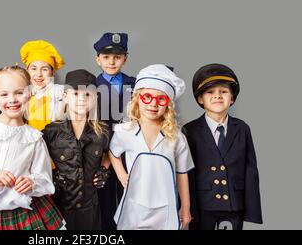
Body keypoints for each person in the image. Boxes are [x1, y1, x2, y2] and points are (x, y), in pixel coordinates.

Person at [0, 65, 65, 230]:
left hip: (27, 212)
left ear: (29, 94)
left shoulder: (34, 138)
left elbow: (44, 178)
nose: (12, 100)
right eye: (4, 94)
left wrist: (32, 183)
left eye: (19, 93)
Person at [109, 64, 193, 230]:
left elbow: (182, 174)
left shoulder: (177, 137)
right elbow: (113, 153)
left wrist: (186, 208)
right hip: (134, 204)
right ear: (137, 99)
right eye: (147, 97)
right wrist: (121, 174)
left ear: (168, 104)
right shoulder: (124, 131)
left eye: (161, 99)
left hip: (165, 206)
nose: (153, 105)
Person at [184, 64, 263, 230]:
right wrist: (187, 208)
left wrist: (252, 209)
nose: (217, 96)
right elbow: (187, 172)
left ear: (232, 98)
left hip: (233, 203)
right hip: (203, 204)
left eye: (224, 91)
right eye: (210, 92)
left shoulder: (242, 128)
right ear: (200, 99)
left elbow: (250, 169)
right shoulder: (189, 130)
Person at [42, 69, 111, 230]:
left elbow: (109, 152)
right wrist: (50, 175)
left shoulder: (103, 131)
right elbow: (36, 157)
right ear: (65, 97)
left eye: (87, 95)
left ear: (95, 99)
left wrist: (103, 169)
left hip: (90, 209)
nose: (81, 99)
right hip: (60, 207)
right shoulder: (51, 131)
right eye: (75, 94)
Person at [93, 32, 136, 230]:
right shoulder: (91, 87)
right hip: (101, 153)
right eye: (106, 57)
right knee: (105, 201)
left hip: (130, 150)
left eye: (117, 57)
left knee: (131, 197)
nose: (112, 62)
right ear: (98, 59)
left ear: (125, 59)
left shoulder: (135, 84)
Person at [20, 40, 65, 131]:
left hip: (54, 142)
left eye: (44, 69)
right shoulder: (21, 93)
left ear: (52, 72)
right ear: (27, 70)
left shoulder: (61, 92)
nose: (39, 74)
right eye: (34, 68)